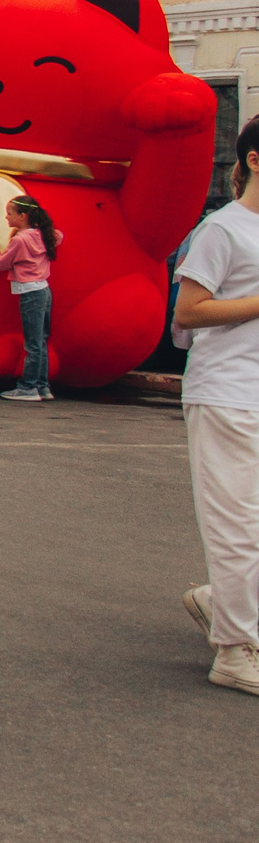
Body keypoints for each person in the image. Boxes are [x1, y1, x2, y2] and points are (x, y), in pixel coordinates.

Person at [173, 117, 259, 695]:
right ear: (254, 160)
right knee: (238, 528)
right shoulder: (223, 229)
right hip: (228, 392)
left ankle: (219, 601)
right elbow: (189, 310)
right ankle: (233, 652)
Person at [0, 194, 63, 402]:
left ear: (22, 216)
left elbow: (1, 264)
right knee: (41, 341)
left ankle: (27, 387)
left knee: (32, 343)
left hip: (29, 292)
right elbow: (59, 236)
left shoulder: (19, 240)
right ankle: (42, 386)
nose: (6, 217)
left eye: (10, 213)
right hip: (44, 290)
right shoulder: (44, 234)